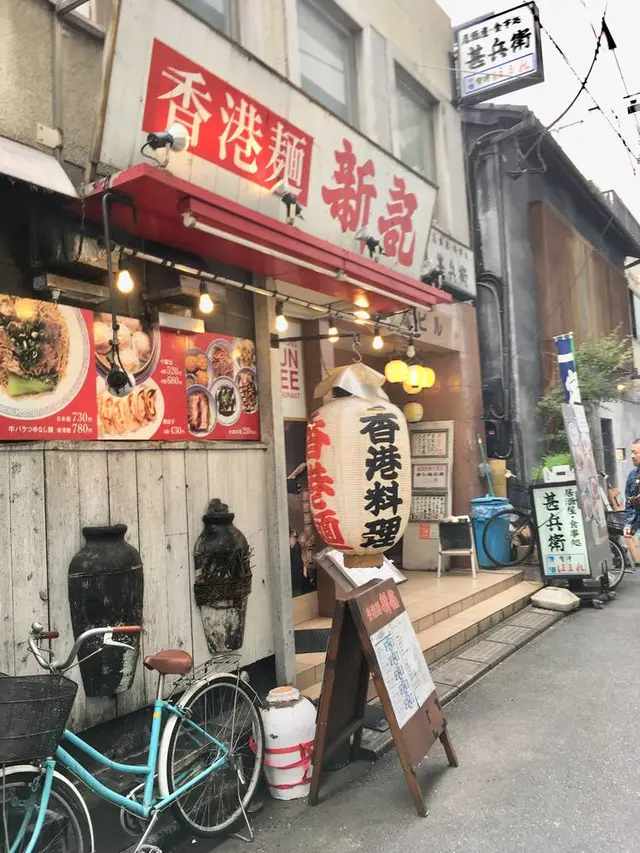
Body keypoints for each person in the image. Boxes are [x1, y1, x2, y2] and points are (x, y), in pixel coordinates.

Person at [623, 439, 640, 538]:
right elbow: (629, 503)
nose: (632, 456)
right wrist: (628, 524)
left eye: (635, 453)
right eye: (631, 452)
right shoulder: (632, 475)